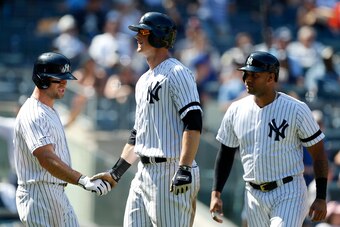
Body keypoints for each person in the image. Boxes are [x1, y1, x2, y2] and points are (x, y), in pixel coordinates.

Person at [92, 12, 203, 227]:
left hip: (171, 169)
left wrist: (185, 168)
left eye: (143, 32)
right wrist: (116, 173)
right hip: (143, 172)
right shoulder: (143, 80)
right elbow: (138, 134)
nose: (137, 36)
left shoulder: (177, 72)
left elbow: (194, 121)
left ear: (159, 36)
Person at [209, 51, 329, 226]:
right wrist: (216, 194)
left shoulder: (296, 109)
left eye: (254, 75)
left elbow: (319, 154)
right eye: (246, 73)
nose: (247, 79)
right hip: (253, 194)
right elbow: (225, 154)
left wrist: (321, 197)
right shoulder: (236, 110)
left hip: (288, 191)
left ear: (271, 77)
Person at [13, 52, 111, 226]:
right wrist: (83, 180)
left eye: (65, 78)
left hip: (56, 193)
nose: (65, 83)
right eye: (59, 79)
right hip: (39, 196)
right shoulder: (33, 113)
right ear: (43, 79)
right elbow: (46, 158)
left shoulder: (49, 110)